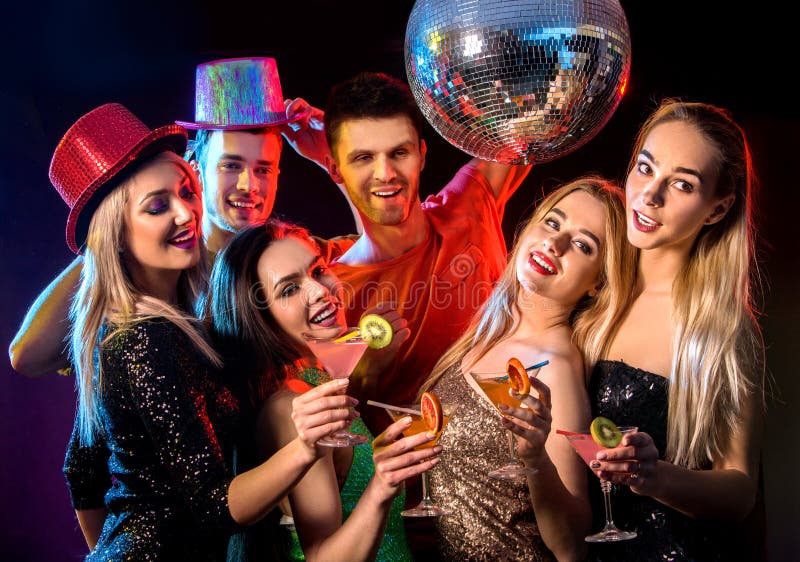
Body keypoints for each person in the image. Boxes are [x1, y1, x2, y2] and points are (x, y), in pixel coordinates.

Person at [55, 103, 360, 559]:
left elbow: (81, 468)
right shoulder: (145, 338)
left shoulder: (177, 323)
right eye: (158, 206)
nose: (185, 213)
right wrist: (303, 446)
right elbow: (215, 506)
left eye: (185, 192)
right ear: (116, 232)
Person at [7, 56, 350, 377]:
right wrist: (110, 227)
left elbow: (394, 246)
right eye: (231, 165)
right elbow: (28, 355)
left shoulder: (306, 259)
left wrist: (332, 161)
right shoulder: (159, 279)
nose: (249, 185)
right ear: (196, 168)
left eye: (264, 169)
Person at [580, 100, 766, 560]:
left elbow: (741, 492)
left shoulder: (724, 332)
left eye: (682, 184)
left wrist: (655, 475)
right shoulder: (588, 296)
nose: (649, 195)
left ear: (717, 209)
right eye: (645, 168)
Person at [418, 177, 634, 561]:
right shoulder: (487, 330)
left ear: (597, 283)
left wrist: (535, 460)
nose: (555, 243)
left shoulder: (554, 369)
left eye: (582, 245)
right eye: (553, 223)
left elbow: (570, 547)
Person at [207, 219, 439, 562]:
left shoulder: (314, 381)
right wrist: (383, 485)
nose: (319, 291)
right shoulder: (293, 407)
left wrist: (371, 364)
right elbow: (321, 557)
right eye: (288, 289)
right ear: (261, 320)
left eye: (317, 270)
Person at [315, 71, 532, 433]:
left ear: (422, 155)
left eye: (399, 152)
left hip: (515, 459)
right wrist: (367, 373)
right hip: (416, 483)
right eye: (363, 158)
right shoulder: (329, 291)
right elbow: (335, 426)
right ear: (335, 170)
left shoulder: (469, 203)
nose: (385, 173)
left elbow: (534, 123)